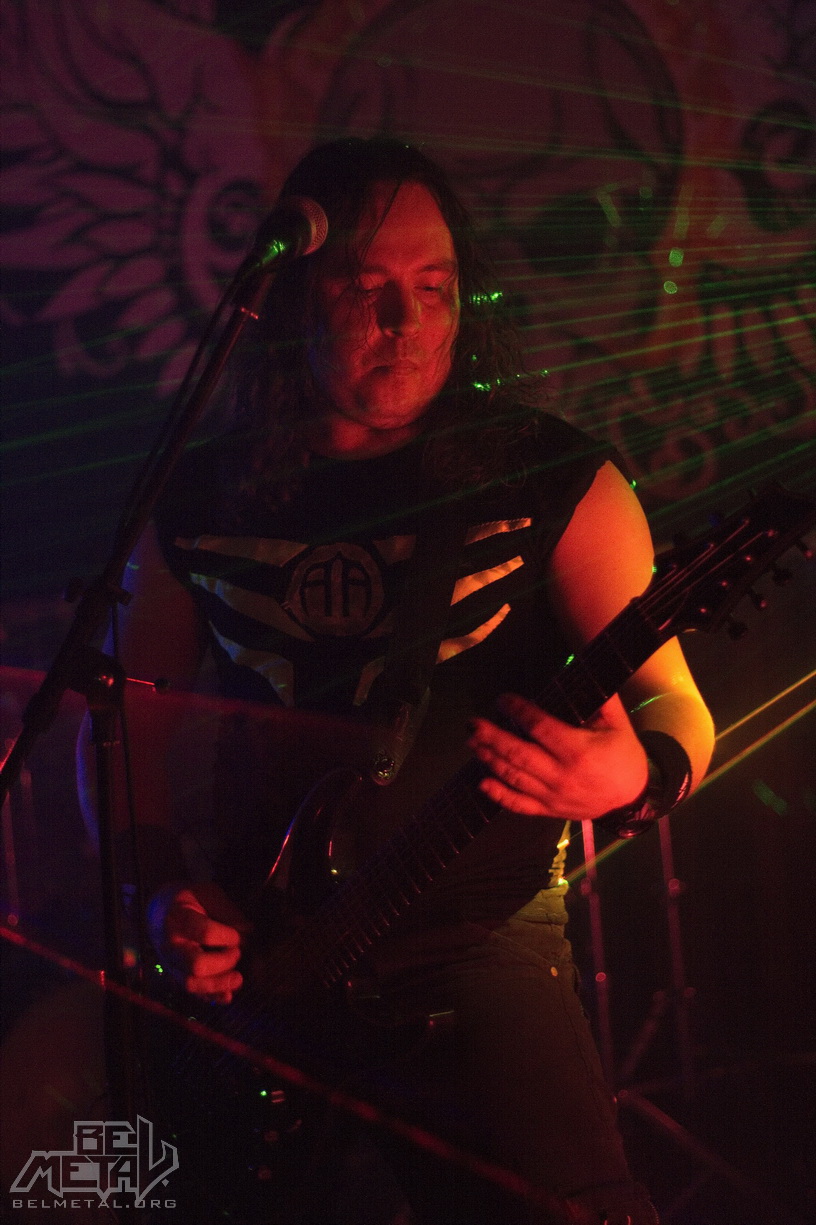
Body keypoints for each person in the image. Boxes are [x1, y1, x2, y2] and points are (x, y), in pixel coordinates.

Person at [79, 138, 714, 1224]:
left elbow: (675, 706)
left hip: (477, 935)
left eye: (434, 287)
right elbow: (121, 730)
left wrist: (634, 773)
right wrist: (156, 890)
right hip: (266, 958)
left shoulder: (558, 480)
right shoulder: (196, 498)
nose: (405, 320)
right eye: (365, 287)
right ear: (293, 302)